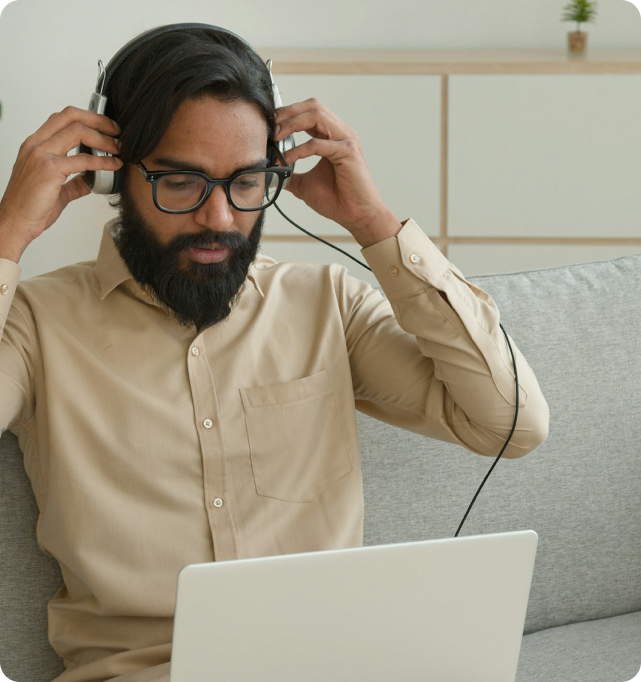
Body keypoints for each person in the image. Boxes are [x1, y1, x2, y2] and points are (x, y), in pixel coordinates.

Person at [0, 24, 549, 682]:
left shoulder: (329, 302)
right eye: (181, 182)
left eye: (247, 182)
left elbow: (511, 423)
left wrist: (371, 221)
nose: (221, 219)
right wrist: (9, 232)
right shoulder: (35, 322)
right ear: (110, 173)